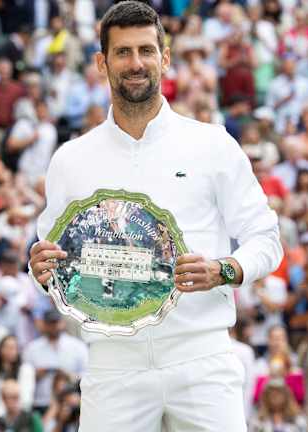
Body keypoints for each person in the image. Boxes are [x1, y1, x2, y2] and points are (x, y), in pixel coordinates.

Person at [27, 2, 282, 431]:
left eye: (146, 50)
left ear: (165, 58)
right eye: (123, 52)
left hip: (200, 357)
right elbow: (54, 266)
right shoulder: (70, 160)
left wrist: (224, 270)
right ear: (101, 62)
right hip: (113, 364)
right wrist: (41, 269)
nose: (136, 63)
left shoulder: (212, 144)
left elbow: (266, 238)